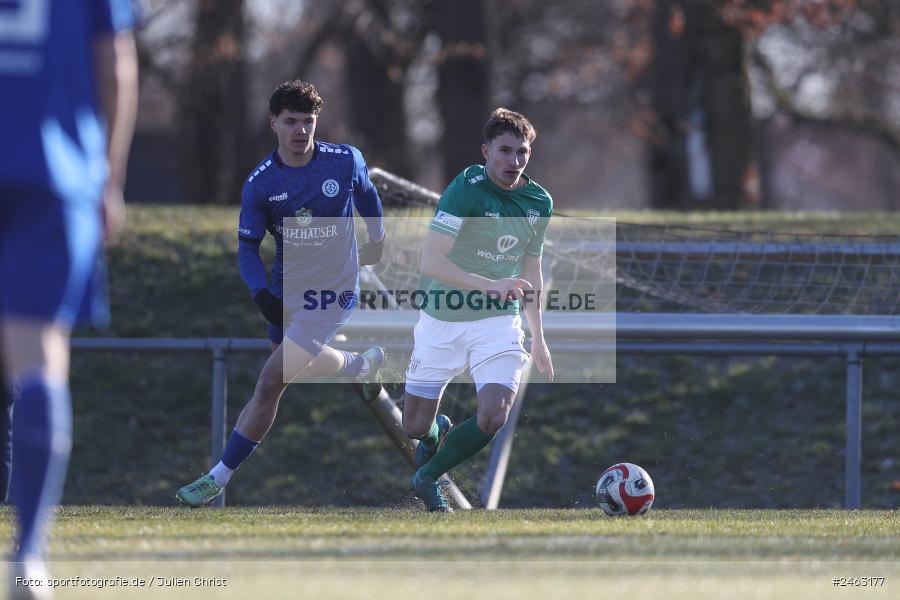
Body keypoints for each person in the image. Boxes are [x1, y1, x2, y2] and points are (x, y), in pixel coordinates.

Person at [176, 80, 386, 507]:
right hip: (287, 289)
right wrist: (260, 294)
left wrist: (377, 237)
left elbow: (368, 194)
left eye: (308, 121)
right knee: (281, 380)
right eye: (290, 122)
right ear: (274, 122)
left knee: (271, 377)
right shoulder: (261, 183)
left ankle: (218, 475)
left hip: (335, 288)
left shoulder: (344, 161)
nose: (300, 131)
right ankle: (360, 365)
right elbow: (247, 248)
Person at [0, 0, 139, 597]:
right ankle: (28, 555)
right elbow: (117, 65)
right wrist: (109, 179)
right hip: (51, 174)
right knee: (39, 352)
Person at [402, 108, 554, 512]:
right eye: (505, 151)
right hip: (443, 316)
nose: (514, 161)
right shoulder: (464, 189)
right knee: (414, 426)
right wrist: (492, 285)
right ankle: (437, 436)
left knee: (493, 416)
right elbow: (432, 262)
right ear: (486, 151)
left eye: (522, 152)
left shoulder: (538, 202)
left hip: (497, 322)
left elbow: (531, 269)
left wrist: (538, 335)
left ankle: (428, 476)